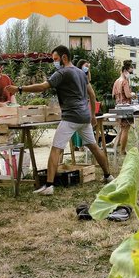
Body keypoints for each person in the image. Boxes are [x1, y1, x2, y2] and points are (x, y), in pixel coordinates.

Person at [15, 45, 112, 195]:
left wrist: (19, 89)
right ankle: (108, 176)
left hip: (71, 117)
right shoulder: (81, 73)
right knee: (93, 146)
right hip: (84, 116)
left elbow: (42, 87)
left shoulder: (62, 72)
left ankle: (49, 185)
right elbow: (92, 95)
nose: (54, 62)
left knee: (56, 149)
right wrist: (92, 114)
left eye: (55, 59)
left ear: (64, 57)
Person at [111, 60, 136, 155]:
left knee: (121, 128)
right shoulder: (124, 81)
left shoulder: (117, 81)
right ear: (125, 71)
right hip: (126, 107)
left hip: (118, 106)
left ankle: (116, 146)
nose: (130, 74)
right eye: (130, 72)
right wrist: (132, 94)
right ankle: (123, 150)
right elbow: (128, 95)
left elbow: (113, 94)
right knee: (126, 128)